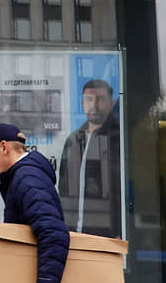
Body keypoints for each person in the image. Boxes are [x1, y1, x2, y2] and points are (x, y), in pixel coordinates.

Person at [0, 123, 69, 283]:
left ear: (4, 147)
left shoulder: (27, 178)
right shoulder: (23, 176)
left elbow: (53, 234)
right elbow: (26, 231)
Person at [58, 79, 122, 238]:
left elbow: (122, 189)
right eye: (89, 99)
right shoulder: (73, 140)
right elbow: (63, 187)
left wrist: (119, 229)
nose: (94, 105)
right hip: (72, 232)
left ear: (111, 103)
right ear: (82, 103)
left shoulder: (118, 139)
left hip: (106, 233)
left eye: (101, 99)